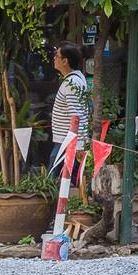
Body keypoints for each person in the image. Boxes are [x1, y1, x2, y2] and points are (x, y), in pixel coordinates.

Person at [50, 43, 90, 181]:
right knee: (73, 180)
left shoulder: (71, 84)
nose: (54, 58)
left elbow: (76, 115)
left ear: (65, 61)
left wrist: (75, 144)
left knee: (53, 181)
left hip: (66, 142)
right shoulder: (76, 79)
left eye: (56, 56)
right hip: (68, 141)